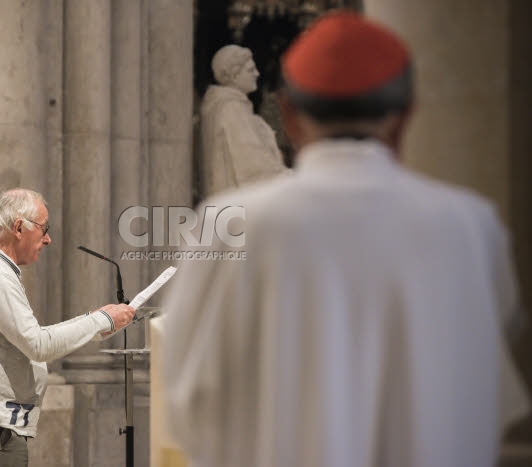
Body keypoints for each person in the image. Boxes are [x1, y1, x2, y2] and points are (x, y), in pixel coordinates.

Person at [162, 11, 528, 467]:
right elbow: (493, 365)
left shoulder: (226, 228)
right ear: (404, 117)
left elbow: (185, 395)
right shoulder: (472, 226)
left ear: (290, 115)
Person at [0, 188, 135, 466]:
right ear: (19, 227)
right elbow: (38, 346)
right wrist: (101, 321)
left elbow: (32, 336)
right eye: (44, 229)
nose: (48, 239)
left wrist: (93, 319)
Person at [199, 44, 289, 197]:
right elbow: (253, 163)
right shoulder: (232, 109)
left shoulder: (222, 106)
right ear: (233, 75)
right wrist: (292, 179)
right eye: (250, 70)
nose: (257, 74)